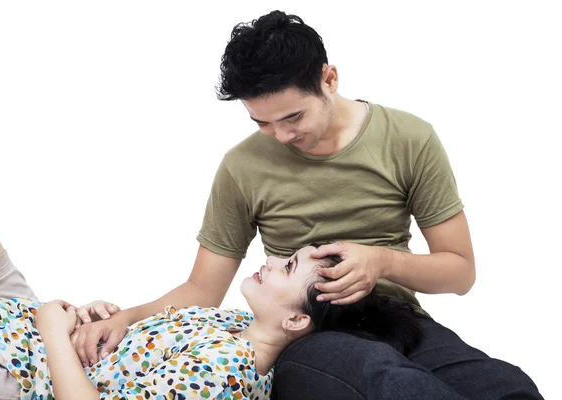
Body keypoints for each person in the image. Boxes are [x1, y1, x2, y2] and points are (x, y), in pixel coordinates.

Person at [72, 10, 543, 399]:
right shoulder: (242, 167)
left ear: (329, 78)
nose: (281, 136)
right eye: (262, 122)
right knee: (386, 380)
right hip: (305, 333)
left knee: (504, 385)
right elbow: (202, 288)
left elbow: (460, 272)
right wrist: (127, 317)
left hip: (396, 318)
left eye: (293, 116)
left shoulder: (409, 139)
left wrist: (380, 262)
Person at [0, 189, 462, 400]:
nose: (269, 260)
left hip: (5, 364)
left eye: (287, 266)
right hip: (23, 317)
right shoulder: (230, 326)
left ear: (295, 321)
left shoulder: (225, 374)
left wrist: (55, 334)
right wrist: (101, 319)